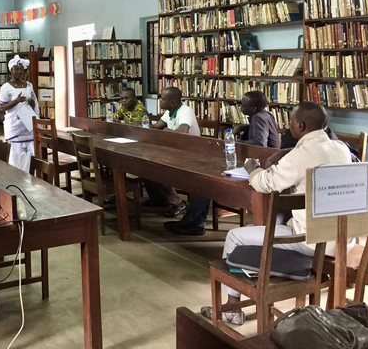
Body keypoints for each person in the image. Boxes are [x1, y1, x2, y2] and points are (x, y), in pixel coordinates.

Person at [200, 102, 353, 325]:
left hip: (311, 241)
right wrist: (287, 151)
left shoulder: (300, 156)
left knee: (235, 236)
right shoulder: (341, 148)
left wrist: (252, 170)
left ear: (300, 125)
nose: (286, 126)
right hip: (341, 236)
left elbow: (266, 183)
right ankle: (271, 272)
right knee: (282, 219)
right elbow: (314, 154)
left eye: (290, 122)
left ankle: (232, 308)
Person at [166, 91, 283, 236]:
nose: (240, 108)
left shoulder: (258, 118)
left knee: (206, 183)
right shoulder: (265, 115)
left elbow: (259, 144)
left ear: (252, 109)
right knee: (206, 183)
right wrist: (241, 127)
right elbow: (260, 130)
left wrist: (235, 142)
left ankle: (191, 223)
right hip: (262, 164)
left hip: (258, 166)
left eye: (243, 105)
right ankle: (195, 222)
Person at [146, 87, 200, 217]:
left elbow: (182, 133)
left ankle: (177, 203)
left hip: (190, 153)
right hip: (174, 151)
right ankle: (158, 199)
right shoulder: (169, 112)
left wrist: (166, 132)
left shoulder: (186, 111)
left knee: (157, 168)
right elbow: (155, 127)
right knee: (144, 164)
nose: (159, 101)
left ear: (172, 102)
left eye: (163, 99)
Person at [0, 55, 40, 172]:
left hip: (28, 126)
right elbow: (2, 107)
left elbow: (34, 104)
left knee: (29, 154)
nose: (18, 71)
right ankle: (15, 177)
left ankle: (30, 176)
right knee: (15, 155)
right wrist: (16, 100)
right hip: (15, 127)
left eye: (21, 69)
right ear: (11, 70)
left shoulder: (29, 85)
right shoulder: (5, 87)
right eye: (16, 69)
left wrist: (31, 103)